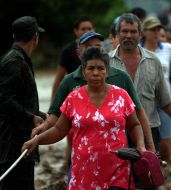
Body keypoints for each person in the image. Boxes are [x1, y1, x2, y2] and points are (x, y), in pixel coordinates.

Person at [22, 46, 146, 190]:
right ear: (83, 71)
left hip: (117, 169)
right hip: (84, 171)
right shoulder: (73, 98)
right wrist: (37, 140)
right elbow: (58, 130)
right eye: (91, 68)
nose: (96, 73)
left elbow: (134, 125)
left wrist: (141, 146)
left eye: (100, 68)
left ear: (107, 71)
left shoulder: (121, 95)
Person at [32, 31, 155, 169]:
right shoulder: (71, 88)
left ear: (106, 71)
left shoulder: (121, 83)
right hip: (83, 165)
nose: (96, 73)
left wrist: (146, 148)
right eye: (89, 47)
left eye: (98, 46)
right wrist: (40, 133)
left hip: (116, 165)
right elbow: (58, 124)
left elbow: (137, 117)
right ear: (79, 54)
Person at [109, 13, 171, 152]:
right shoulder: (106, 62)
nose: (129, 35)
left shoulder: (153, 60)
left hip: (149, 128)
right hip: (115, 130)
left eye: (133, 32)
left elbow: (164, 97)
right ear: (118, 34)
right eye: (124, 31)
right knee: (119, 172)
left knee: (147, 171)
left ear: (140, 34)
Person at [0, 16, 46, 190]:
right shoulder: (13, 62)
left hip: (23, 141)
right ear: (35, 37)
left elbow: (18, 100)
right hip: (12, 145)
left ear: (14, 36)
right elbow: (5, 102)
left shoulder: (20, 60)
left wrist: (42, 116)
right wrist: (31, 117)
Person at [141, 17, 171, 162]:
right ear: (143, 32)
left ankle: (165, 173)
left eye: (158, 29)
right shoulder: (138, 51)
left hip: (165, 101)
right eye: (152, 29)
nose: (156, 32)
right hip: (145, 102)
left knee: (166, 142)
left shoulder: (168, 49)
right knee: (148, 141)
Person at [51, 15, 95, 103]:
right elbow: (59, 79)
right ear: (76, 31)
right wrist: (53, 104)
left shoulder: (100, 49)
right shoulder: (67, 51)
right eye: (83, 29)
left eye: (89, 29)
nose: (87, 32)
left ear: (94, 30)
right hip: (74, 95)